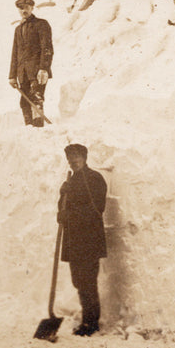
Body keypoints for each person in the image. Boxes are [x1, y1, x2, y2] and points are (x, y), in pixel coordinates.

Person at [57, 143, 108, 336]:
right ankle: (89, 319)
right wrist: (62, 198)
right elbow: (62, 209)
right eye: (70, 158)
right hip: (73, 241)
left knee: (88, 281)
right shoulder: (70, 182)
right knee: (79, 281)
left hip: (89, 239)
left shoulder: (95, 179)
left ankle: (91, 322)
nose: (73, 161)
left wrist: (69, 215)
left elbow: (97, 210)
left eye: (76, 157)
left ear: (85, 157)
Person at [8, 0, 53, 127]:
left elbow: (47, 48)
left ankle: (38, 128)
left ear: (32, 8)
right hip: (22, 73)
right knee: (24, 102)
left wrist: (44, 68)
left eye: (27, 8)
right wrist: (12, 76)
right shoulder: (18, 29)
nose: (24, 11)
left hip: (37, 72)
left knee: (36, 99)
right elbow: (15, 54)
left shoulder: (41, 24)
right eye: (21, 8)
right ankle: (29, 129)